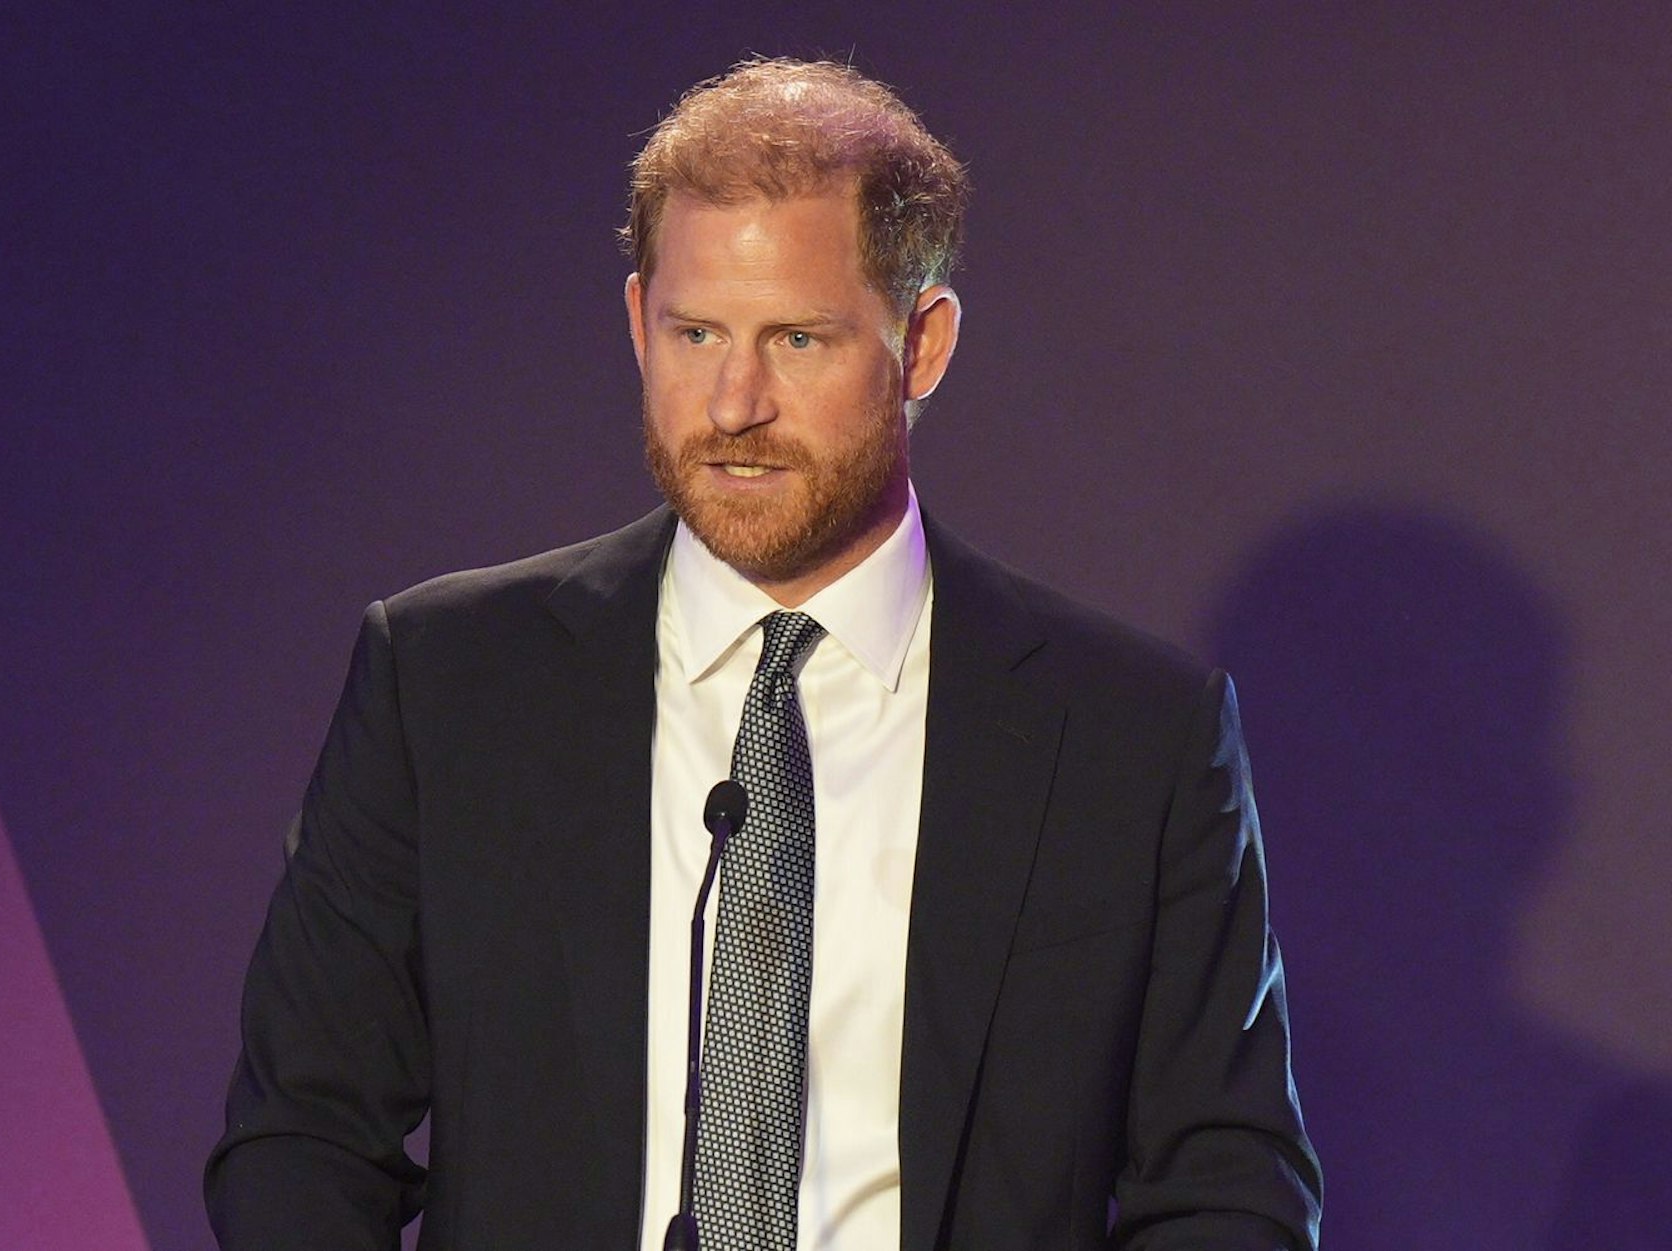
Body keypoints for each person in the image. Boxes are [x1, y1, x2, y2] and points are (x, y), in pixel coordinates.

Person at [205, 57, 1322, 1251]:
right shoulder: (444, 685)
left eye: (796, 339)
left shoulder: (1128, 738)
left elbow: (1223, 1183)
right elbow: (302, 1139)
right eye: (695, 333)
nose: (732, 404)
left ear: (923, 344)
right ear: (637, 321)